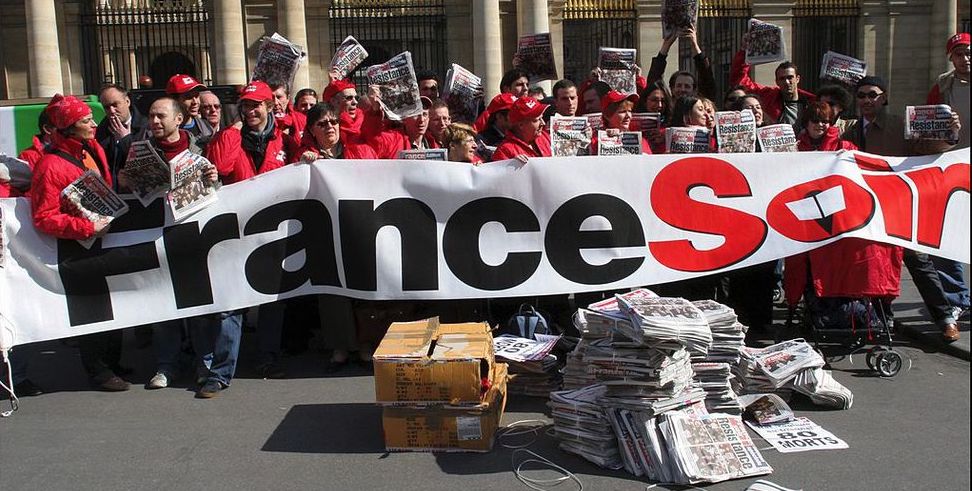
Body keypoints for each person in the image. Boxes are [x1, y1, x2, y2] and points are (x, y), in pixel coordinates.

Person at [842, 75, 964, 342]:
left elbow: (927, 147)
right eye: (861, 95)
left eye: (872, 95)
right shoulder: (850, 129)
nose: (866, 100)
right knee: (871, 263)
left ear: (883, 97)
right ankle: (879, 319)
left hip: (899, 205)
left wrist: (950, 134)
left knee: (918, 260)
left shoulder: (899, 124)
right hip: (865, 206)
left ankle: (944, 318)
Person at [31, 94, 129, 392]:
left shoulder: (92, 148)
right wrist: (86, 227)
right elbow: (43, 217)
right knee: (92, 309)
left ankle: (112, 361)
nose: (92, 123)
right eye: (86, 120)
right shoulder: (49, 166)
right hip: (78, 246)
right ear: (70, 128)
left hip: (102, 239)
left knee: (114, 305)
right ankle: (98, 370)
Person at [199, 81, 291, 395]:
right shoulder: (229, 136)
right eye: (246, 106)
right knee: (231, 305)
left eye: (257, 105)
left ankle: (267, 358)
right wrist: (233, 132)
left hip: (272, 233)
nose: (251, 111)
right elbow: (221, 166)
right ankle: (221, 372)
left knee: (272, 303)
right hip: (234, 235)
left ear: (269, 107)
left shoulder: (283, 140)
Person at [135, 96, 217, 390]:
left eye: (160, 116)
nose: (154, 121)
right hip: (157, 236)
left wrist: (214, 177)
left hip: (194, 234)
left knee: (197, 303)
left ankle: (204, 363)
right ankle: (166, 365)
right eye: (151, 116)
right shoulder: (137, 150)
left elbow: (220, 190)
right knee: (163, 304)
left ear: (178, 119)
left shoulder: (203, 146)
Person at [291, 103, 377, 370]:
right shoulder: (305, 157)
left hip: (358, 227)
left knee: (364, 287)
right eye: (322, 123)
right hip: (325, 231)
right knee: (332, 290)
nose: (330, 127)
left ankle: (365, 343)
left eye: (334, 122)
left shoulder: (360, 150)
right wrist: (303, 166)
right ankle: (340, 345)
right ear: (311, 130)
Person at [924, 32, 970, 325]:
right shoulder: (942, 87)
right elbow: (927, 127)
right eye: (959, 54)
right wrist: (945, 130)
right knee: (946, 234)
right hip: (953, 166)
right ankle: (957, 300)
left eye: (969, 53)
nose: (965, 59)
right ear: (951, 58)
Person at [730, 37, 814, 128]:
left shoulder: (811, 102)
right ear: (776, 81)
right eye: (782, 79)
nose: (786, 82)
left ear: (797, 79)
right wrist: (744, 51)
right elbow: (740, 81)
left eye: (790, 78)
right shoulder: (769, 96)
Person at [645, 27, 716, 100]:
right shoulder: (666, 108)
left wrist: (694, 44)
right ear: (672, 88)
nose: (682, 90)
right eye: (679, 86)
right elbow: (653, 83)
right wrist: (666, 45)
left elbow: (707, 79)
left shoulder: (699, 109)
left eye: (687, 86)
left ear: (694, 90)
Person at [96, 84, 147, 184]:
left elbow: (144, 161)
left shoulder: (145, 126)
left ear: (127, 101)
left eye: (115, 105)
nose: (112, 111)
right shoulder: (102, 130)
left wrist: (125, 139)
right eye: (107, 107)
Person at [368, 95, 433, 159]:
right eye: (415, 115)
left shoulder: (432, 143)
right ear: (404, 118)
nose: (421, 120)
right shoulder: (393, 141)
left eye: (425, 114)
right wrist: (375, 111)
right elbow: (374, 142)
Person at [590, 90, 652, 154]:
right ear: (607, 115)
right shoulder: (595, 140)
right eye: (622, 111)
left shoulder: (639, 140)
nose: (628, 116)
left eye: (630, 111)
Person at [491, 97, 551, 161]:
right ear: (521, 125)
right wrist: (511, 165)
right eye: (537, 120)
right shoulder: (505, 151)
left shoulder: (545, 136)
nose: (543, 123)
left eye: (542, 118)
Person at [165, 74, 215, 145]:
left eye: (197, 96)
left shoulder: (207, 128)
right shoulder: (158, 131)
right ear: (174, 100)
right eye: (188, 97)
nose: (195, 102)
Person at [636, 80, 673, 154]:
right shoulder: (632, 123)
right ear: (645, 101)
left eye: (663, 101)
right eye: (654, 100)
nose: (659, 105)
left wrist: (666, 138)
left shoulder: (671, 126)